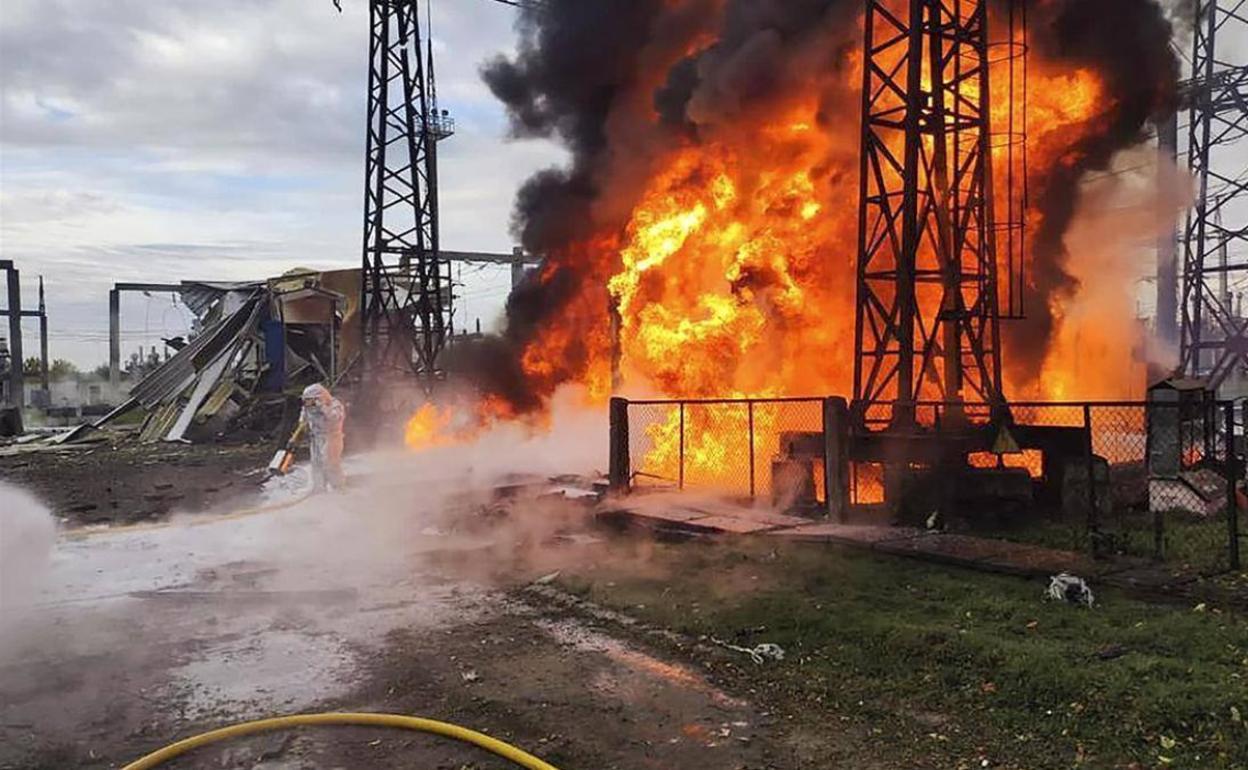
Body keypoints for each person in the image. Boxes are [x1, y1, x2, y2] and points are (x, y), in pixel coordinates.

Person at [300, 383, 345, 492]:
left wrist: (323, 407)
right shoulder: (308, 407)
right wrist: (302, 423)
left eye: (310, 400)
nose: (307, 403)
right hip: (316, 438)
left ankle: (337, 487)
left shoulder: (334, 404)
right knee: (316, 463)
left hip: (331, 437)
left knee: (330, 462)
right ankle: (319, 487)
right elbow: (304, 416)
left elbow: (335, 418)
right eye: (306, 400)